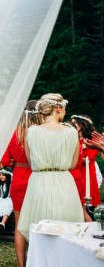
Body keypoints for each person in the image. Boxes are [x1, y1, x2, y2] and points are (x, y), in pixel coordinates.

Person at [17, 94, 84, 241]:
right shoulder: (71, 132)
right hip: (64, 181)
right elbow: (73, 164)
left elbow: (30, 161)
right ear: (59, 108)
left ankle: (42, 262)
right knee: (66, 229)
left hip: (39, 181)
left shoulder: (31, 131)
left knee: (41, 229)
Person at [1, 99, 41, 267]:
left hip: (18, 179)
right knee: (40, 223)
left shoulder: (14, 134)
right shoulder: (41, 133)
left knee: (19, 224)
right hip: (38, 178)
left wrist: (17, 163)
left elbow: (5, 160)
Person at [71, 115, 101, 209]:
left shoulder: (93, 140)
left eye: (74, 123)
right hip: (74, 174)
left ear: (82, 124)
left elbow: (88, 159)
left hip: (86, 175)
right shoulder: (72, 139)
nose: (72, 125)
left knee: (86, 208)